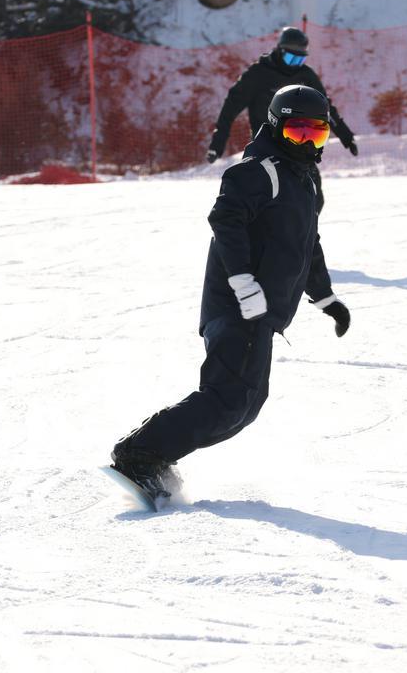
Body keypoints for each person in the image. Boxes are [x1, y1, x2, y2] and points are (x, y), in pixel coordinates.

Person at [110, 84, 351, 500]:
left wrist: (326, 297)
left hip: (262, 314)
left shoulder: (303, 180)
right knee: (227, 400)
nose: (308, 142)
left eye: (317, 134)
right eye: (298, 132)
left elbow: (307, 245)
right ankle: (139, 454)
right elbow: (225, 219)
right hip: (237, 307)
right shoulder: (260, 170)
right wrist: (242, 282)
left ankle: (152, 454)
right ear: (276, 128)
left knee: (243, 408)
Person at [206, 26, 358, 214]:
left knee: (313, 198)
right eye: (290, 58)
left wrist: (346, 136)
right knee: (268, 201)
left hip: (300, 145)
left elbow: (324, 108)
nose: (294, 64)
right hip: (266, 148)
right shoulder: (258, 74)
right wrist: (218, 142)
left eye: (300, 59)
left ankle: (304, 238)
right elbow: (230, 108)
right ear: (279, 51)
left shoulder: (305, 75)